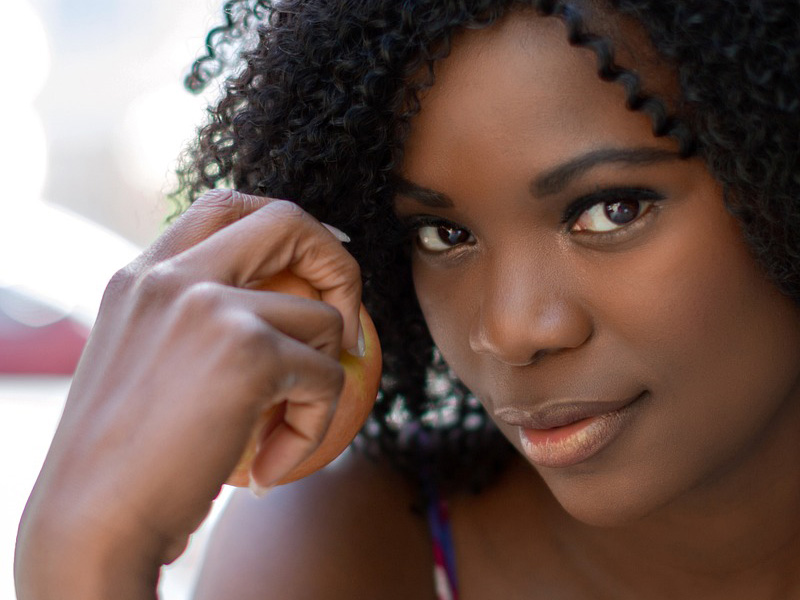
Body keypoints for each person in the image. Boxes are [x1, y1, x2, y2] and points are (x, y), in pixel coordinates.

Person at [15, 0, 800, 598]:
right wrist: (86, 548)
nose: (509, 330)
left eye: (610, 210)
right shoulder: (345, 553)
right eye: (441, 236)